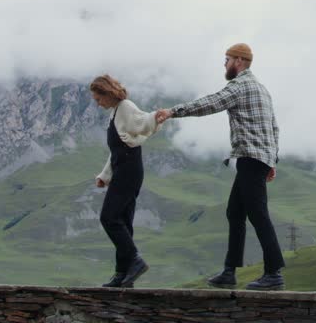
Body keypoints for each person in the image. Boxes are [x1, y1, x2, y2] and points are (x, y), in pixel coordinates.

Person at [155, 43, 285, 291]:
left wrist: (173, 111)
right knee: (234, 213)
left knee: (258, 214)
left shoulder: (240, 86)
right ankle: (229, 271)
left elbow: (212, 103)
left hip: (250, 157)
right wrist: (271, 159)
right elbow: (274, 126)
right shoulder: (261, 89)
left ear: (238, 60)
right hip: (257, 159)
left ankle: (274, 273)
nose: (224, 65)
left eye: (226, 60)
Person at [90, 74, 162, 288]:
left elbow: (143, 123)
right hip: (124, 169)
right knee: (123, 222)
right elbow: (117, 152)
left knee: (109, 217)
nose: (97, 103)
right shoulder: (115, 112)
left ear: (107, 93)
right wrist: (105, 176)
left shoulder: (125, 107)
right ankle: (122, 274)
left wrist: (156, 116)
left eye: (98, 98)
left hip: (129, 171)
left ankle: (135, 260)